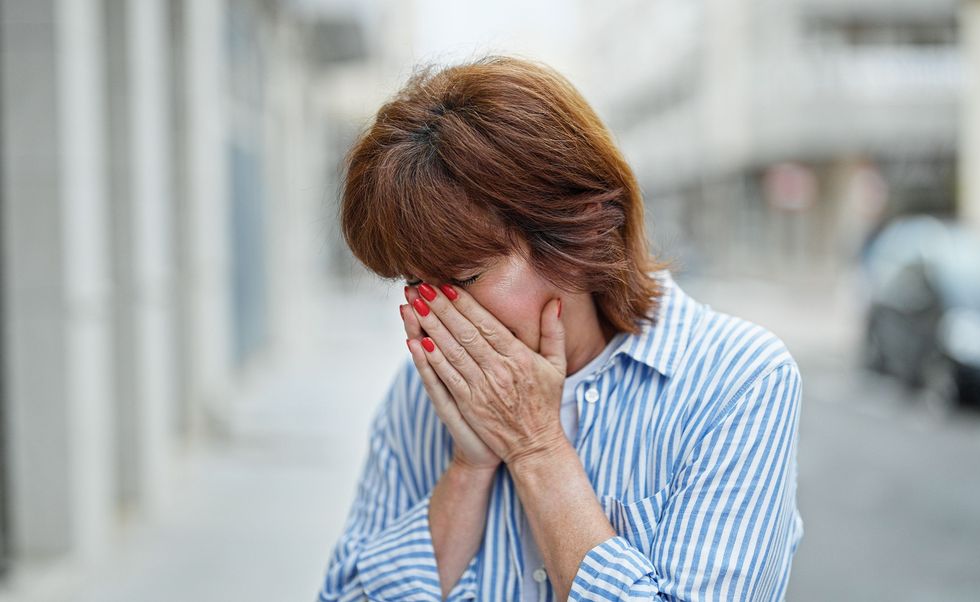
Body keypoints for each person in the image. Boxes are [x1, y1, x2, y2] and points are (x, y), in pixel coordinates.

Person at [318, 56, 803, 602]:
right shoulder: (419, 396)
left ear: (573, 235)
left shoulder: (736, 382)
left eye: (463, 277)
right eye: (417, 285)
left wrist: (536, 447)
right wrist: (467, 473)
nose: (437, 314)